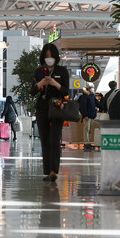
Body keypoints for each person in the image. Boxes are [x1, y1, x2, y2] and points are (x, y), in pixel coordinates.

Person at [30, 43, 70, 182]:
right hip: (42, 108)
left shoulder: (62, 71)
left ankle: (54, 170)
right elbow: (32, 91)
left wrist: (55, 84)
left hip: (57, 108)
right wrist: (40, 84)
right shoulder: (39, 72)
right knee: (45, 140)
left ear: (55, 57)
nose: (49, 59)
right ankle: (47, 171)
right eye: (46, 57)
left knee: (54, 140)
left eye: (51, 56)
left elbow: (66, 91)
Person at [79, 82, 97, 150]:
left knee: (89, 130)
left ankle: (88, 143)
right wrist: (85, 115)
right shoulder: (84, 96)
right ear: (88, 89)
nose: (92, 89)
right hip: (87, 116)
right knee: (86, 130)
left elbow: (97, 103)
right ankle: (86, 143)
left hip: (92, 115)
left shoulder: (92, 95)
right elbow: (83, 107)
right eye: (91, 88)